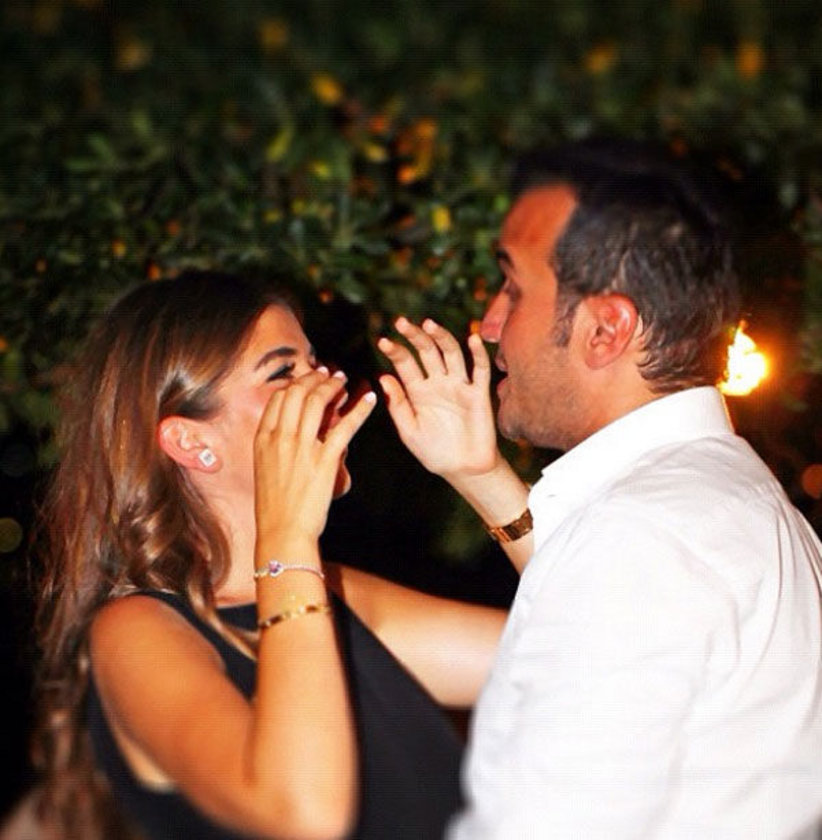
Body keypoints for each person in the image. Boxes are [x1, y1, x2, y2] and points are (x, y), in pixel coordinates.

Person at [379, 141, 822, 838]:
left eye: (512, 289)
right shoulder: (722, 498)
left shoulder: (639, 539)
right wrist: (476, 473)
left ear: (606, 329)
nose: (488, 324)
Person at [31, 270, 515, 840]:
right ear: (192, 441)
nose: (329, 386)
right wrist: (287, 537)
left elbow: (580, 655)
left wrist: (482, 477)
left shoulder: (339, 595)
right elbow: (301, 815)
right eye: (284, 372)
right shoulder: (137, 631)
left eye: (315, 364)